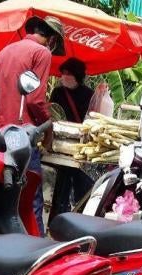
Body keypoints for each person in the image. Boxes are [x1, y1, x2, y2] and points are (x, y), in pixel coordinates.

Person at [0, 15, 64, 236]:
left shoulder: (5, 51)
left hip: (0, 136)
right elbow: (35, 100)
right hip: (23, 140)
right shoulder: (42, 53)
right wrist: (48, 126)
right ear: (52, 39)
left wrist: (6, 114)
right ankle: (35, 247)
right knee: (30, 200)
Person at [48, 58, 94, 223]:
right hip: (58, 143)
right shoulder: (57, 92)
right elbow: (51, 112)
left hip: (80, 145)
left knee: (80, 183)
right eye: (63, 73)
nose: (64, 76)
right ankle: (56, 215)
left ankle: (79, 215)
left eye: (68, 73)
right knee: (60, 183)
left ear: (77, 75)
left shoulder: (88, 94)